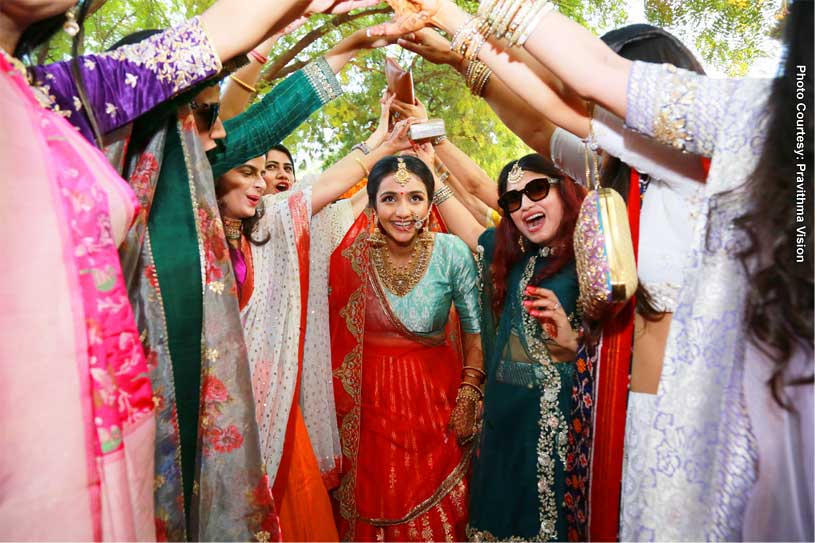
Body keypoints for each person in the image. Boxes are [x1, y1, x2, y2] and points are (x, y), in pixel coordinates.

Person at [379, 0, 815, 540]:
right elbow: (544, 124)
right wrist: (464, 60)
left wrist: (456, 20)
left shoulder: (719, 163)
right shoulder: (631, 179)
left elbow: (579, 92)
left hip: (694, 419)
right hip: (620, 406)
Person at [0, 0, 378, 539]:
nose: (219, 135)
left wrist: (338, 40)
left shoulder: (54, 98)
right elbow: (237, 92)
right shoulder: (87, 110)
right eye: (204, 115)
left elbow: (222, 55)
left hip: (115, 421)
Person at [215, 114, 414, 540]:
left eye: (261, 173)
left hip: (273, 405)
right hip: (216, 410)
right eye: (247, 172)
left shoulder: (266, 224)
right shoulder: (198, 234)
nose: (258, 184)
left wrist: (384, 141)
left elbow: (327, 189)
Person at [328, 154, 484, 541]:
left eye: (415, 198)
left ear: (430, 204)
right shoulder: (349, 257)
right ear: (372, 204)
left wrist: (470, 392)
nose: (403, 211)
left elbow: (475, 331)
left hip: (437, 409)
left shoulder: (452, 254)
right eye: (390, 199)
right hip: (365, 413)